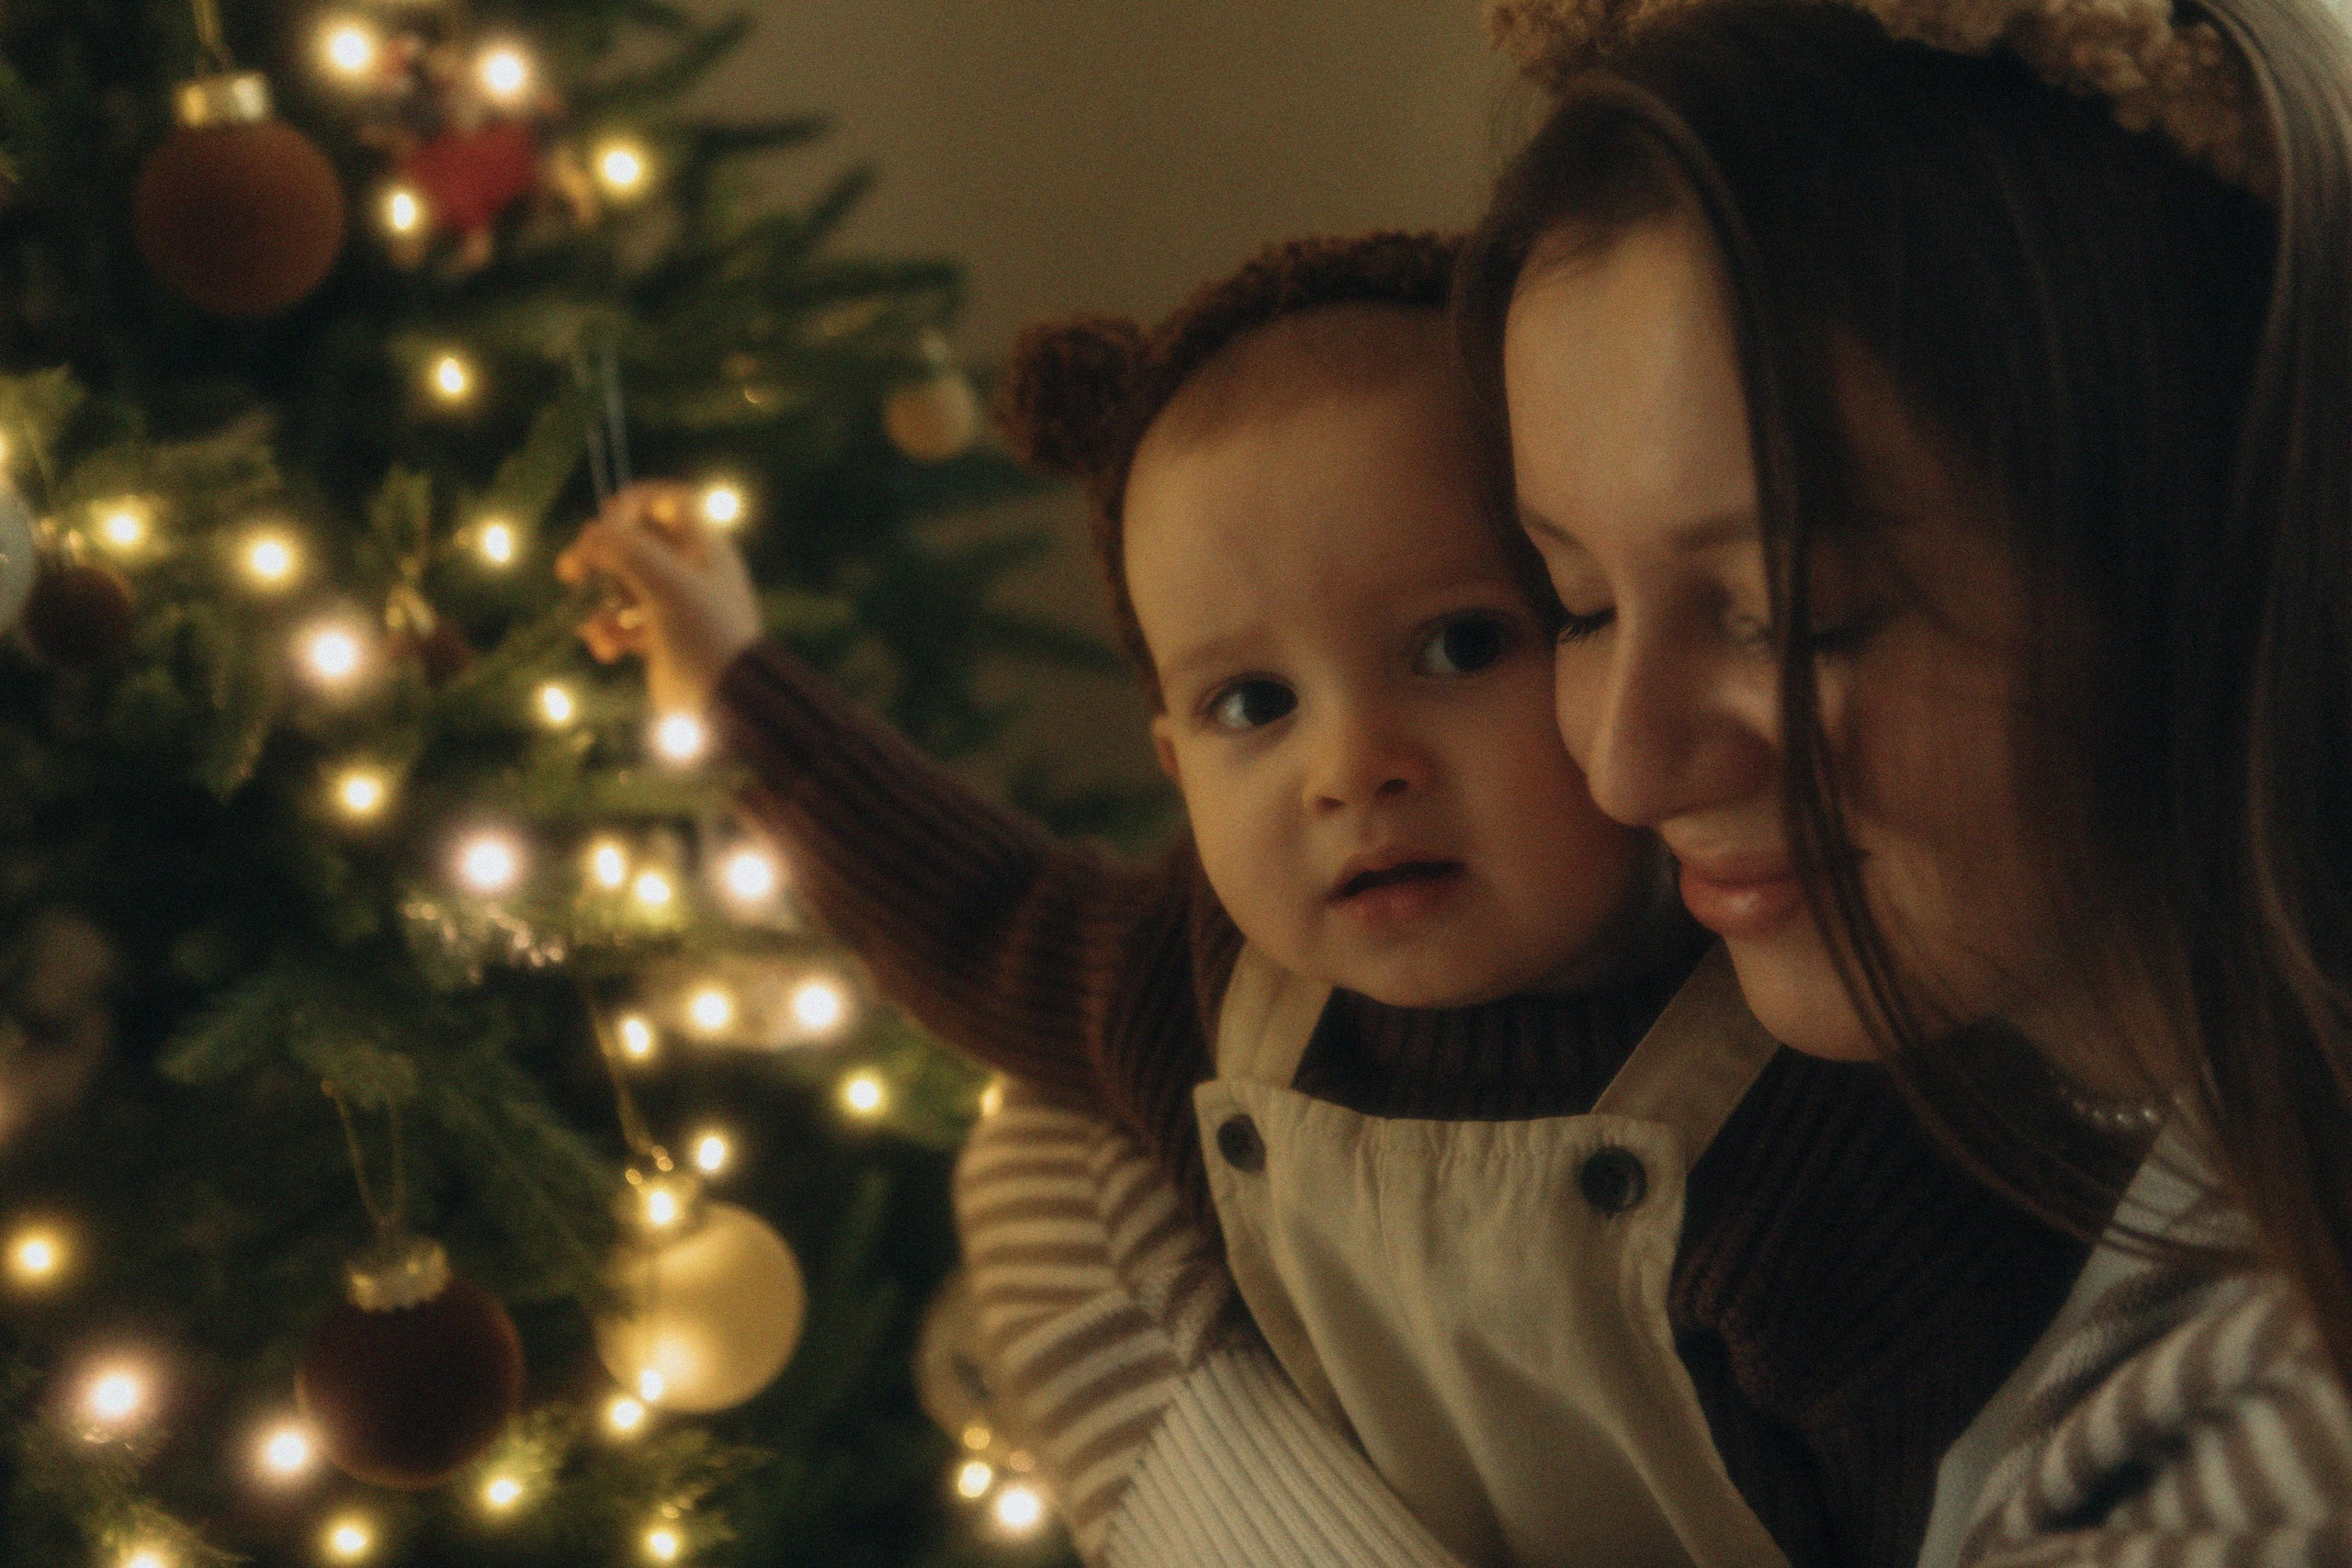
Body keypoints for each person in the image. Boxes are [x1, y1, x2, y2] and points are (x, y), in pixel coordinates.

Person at [558, 231, 2081, 1567]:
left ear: (1610, 638)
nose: (1353, 769)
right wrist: (739, 689)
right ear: (1169, 760)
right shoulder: (1212, 992)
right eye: (1252, 706)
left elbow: (1977, 1495)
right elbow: (974, 920)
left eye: (1458, 649)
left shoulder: (1811, 1097)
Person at [1461, 0, 2352, 1554]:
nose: (1623, 764)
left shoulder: (2290, 1437)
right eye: (1581, 605)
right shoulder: (1946, 1084)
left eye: (1794, 614)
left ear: (2206, 550)